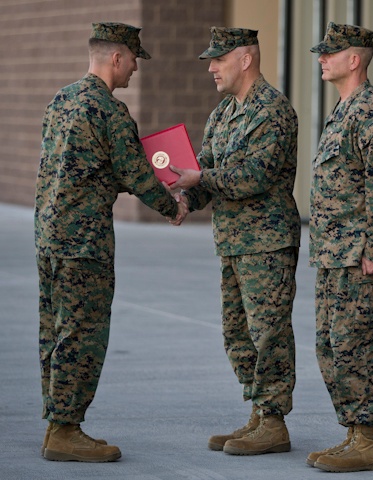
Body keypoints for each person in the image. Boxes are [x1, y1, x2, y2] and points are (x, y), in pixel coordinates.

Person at [35, 22, 188, 463]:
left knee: (55, 331)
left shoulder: (61, 100)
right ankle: (66, 431)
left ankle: (56, 424)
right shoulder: (108, 110)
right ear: (116, 57)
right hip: (84, 242)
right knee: (83, 334)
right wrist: (172, 206)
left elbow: (70, 169)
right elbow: (137, 174)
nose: (136, 69)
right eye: (134, 59)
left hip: (50, 236)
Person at [171, 27, 300, 456]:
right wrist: (185, 199)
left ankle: (275, 421)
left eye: (219, 59)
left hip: (266, 243)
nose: (211, 67)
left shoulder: (273, 110)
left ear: (245, 59)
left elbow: (253, 176)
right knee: (237, 333)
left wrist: (201, 178)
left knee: (269, 334)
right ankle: (259, 413)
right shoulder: (223, 113)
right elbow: (205, 169)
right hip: (231, 241)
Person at [306, 22, 373, 473]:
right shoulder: (344, 111)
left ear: (355, 59)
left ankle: (368, 439)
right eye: (321, 53)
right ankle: (353, 433)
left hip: (359, 255)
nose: (322, 59)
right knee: (331, 344)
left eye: (331, 53)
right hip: (334, 253)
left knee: (356, 343)